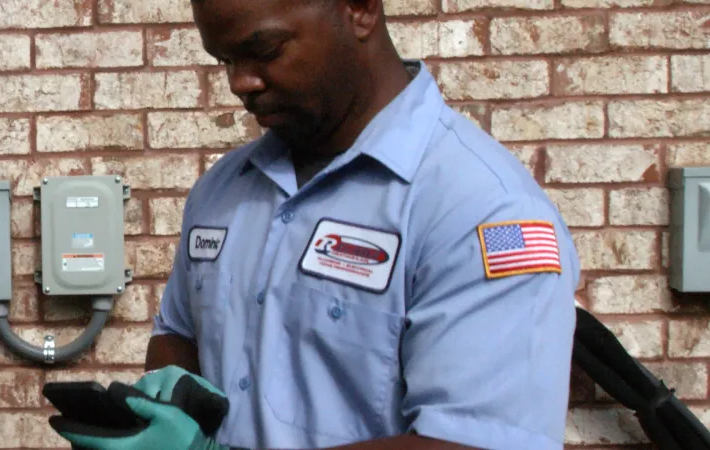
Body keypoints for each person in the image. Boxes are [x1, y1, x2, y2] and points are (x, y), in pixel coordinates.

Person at [53, 0, 581, 448]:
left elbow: (474, 440)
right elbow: (180, 332)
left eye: (264, 51)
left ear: (359, 9)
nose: (241, 83)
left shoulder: (481, 209)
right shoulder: (222, 193)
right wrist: (166, 402)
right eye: (225, 59)